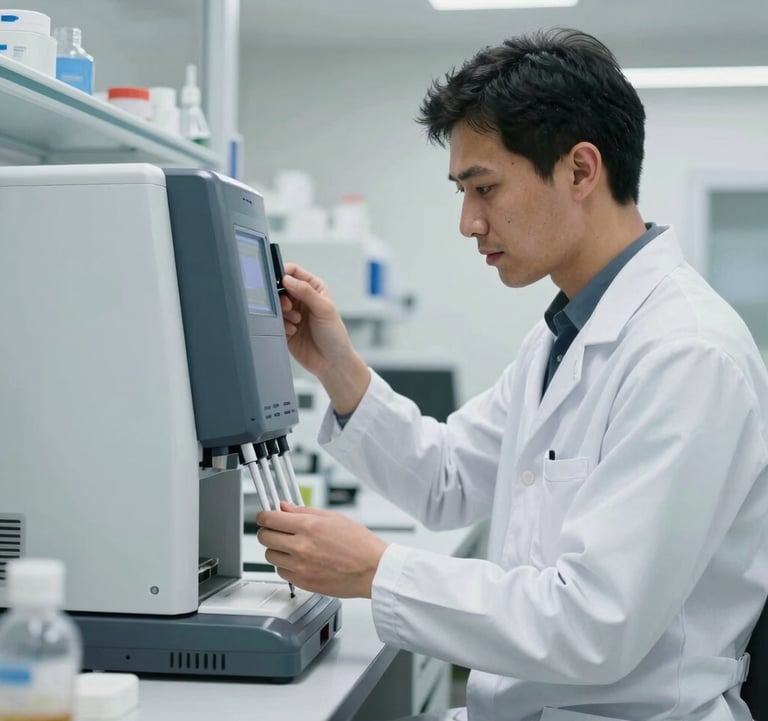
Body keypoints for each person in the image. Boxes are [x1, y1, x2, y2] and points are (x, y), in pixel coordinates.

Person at [256, 27, 768, 721]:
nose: (469, 222)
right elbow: (449, 480)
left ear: (581, 171)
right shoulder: (564, 334)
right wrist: (336, 367)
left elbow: (595, 624)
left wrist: (378, 570)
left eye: (485, 187)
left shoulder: (686, 354)